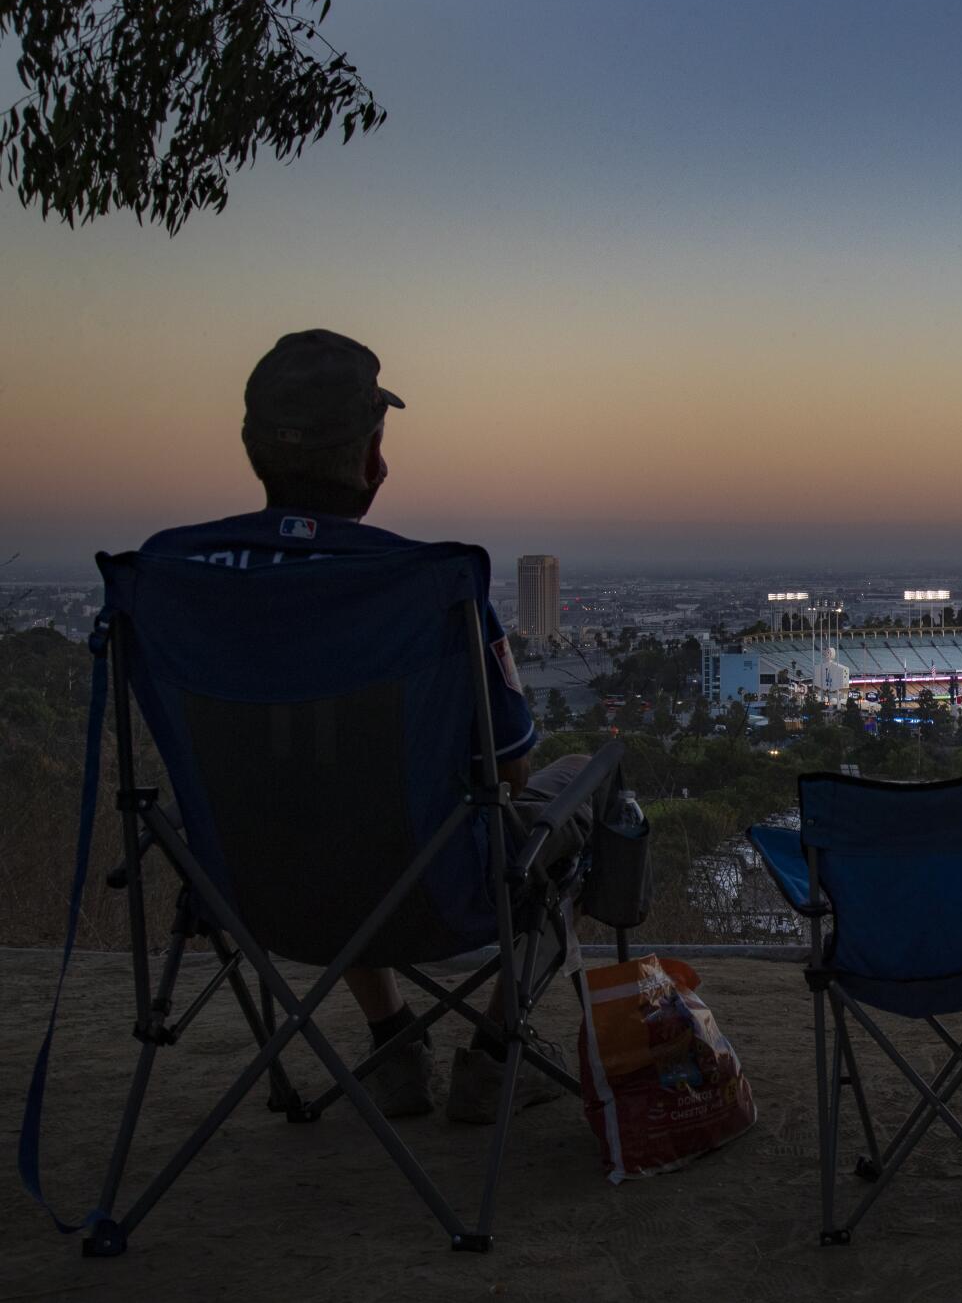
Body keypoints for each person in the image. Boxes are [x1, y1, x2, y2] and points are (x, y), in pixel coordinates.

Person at [143, 329, 616, 1124]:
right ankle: (495, 1054)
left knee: (325, 804)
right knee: (593, 786)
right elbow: (510, 778)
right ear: (370, 457)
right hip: (435, 897)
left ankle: (394, 1040)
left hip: (251, 894)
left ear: (256, 451)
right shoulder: (426, 585)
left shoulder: (169, 579)